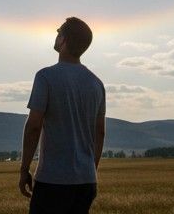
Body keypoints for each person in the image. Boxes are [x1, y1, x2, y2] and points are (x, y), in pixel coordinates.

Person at [19, 16, 106, 214]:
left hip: (53, 180)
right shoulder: (96, 83)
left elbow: (34, 126)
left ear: (63, 40)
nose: (56, 35)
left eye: (58, 32)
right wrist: (90, 171)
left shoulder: (45, 77)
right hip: (86, 181)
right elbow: (99, 132)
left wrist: (24, 169)